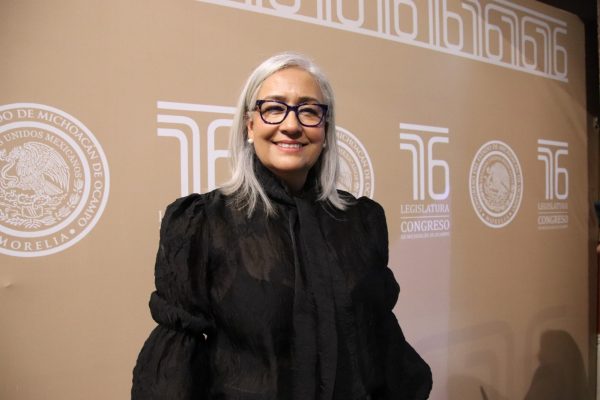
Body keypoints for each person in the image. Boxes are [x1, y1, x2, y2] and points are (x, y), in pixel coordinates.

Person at [131, 52, 432, 400]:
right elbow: (175, 370)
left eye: (309, 110)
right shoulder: (203, 223)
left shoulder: (361, 221)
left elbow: (379, 341)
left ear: (325, 128)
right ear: (249, 125)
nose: (291, 125)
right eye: (273, 108)